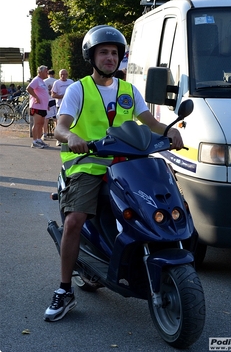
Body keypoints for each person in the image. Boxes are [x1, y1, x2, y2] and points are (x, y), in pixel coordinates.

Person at [44, 25, 184, 322]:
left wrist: (173, 132)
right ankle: (64, 289)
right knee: (74, 221)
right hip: (89, 164)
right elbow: (60, 126)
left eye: (114, 53)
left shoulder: (128, 90)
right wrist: (70, 137)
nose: (110, 58)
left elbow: (148, 123)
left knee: (159, 206)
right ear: (92, 56)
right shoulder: (77, 89)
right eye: (103, 52)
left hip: (128, 165)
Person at [26, 66, 50, 149]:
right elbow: (29, 88)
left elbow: (44, 94)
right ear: (40, 72)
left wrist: (47, 105)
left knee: (41, 124)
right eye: (46, 71)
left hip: (43, 106)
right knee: (37, 124)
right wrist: (36, 97)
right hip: (37, 106)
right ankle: (34, 141)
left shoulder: (42, 81)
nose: (47, 73)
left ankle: (39, 140)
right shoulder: (36, 80)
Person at [51, 69, 73, 146]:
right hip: (60, 105)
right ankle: (58, 139)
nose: (63, 76)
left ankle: (68, 138)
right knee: (59, 122)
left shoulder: (71, 82)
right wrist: (62, 96)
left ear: (67, 75)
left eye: (64, 74)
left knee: (70, 122)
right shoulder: (56, 83)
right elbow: (53, 95)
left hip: (69, 105)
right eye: (61, 75)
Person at [43, 69, 57, 140]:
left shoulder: (44, 81)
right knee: (56, 119)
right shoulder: (56, 81)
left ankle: (44, 134)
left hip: (47, 101)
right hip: (54, 100)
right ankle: (57, 135)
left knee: (46, 119)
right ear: (54, 74)